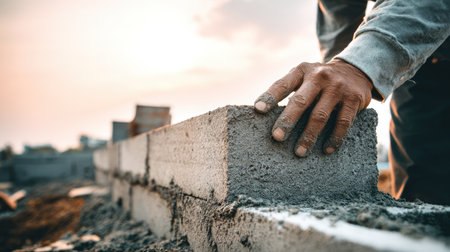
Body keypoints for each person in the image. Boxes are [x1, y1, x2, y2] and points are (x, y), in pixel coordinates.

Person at [254, 0, 450, 205]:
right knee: (422, 193)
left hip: (425, 26)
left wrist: (358, 65)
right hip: (425, 64)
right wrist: (336, 88)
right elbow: (339, 11)